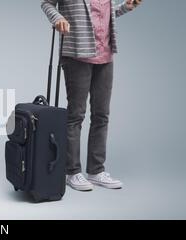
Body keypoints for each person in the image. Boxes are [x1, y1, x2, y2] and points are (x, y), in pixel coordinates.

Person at [41, 0, 142, 191]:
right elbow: (47, 4)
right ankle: (72, 172)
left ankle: (96, 171)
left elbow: (103, 17)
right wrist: (58, 17)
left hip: (105, 55)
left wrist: (125, 7)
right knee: (76, 116)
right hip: (77, 55)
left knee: (101, 115)